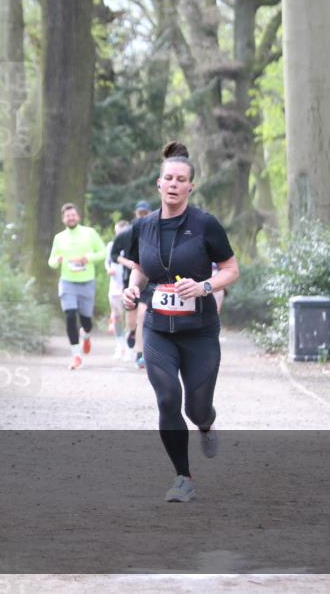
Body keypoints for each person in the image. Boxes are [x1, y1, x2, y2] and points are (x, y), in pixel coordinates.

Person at [122, 141, 239, 503]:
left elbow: (231, 270)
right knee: (168, 399)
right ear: (158, 184)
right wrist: (131, 289)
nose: (173, 184)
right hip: (159, 329)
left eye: (181, 179)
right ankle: (183, 477)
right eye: (168, 178)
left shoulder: (206, 225)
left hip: (200, 332)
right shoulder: (142, 228)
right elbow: (140, 268)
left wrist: (204, 286)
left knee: (196, 407)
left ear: (190, 187)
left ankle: (205, 423)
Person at [47, 203, 107, 370]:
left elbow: (103, 252)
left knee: (86, 321)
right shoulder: (59, 238)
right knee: (70, 315)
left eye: (73, 215)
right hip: (67, 282)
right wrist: (56, 261)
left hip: (87, 282)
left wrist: (89, 258)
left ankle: (86, 335)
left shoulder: (90, 233)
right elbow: (51, 261)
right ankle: (76, 355)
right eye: (67, 216)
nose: (71, 217)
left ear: (78, 216)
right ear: (63, 219)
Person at [111, 201, 152, 368]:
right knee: (132, 320)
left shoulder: (157, 231)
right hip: (132, 279)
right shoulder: (127, 233)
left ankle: (141, 355)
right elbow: (114, 254)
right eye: (140, 213)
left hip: (150, 280)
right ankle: (133, 333)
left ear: (149, 213)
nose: (142, 216)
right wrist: (128, 263)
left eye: (145, 213)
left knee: (143, 315)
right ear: (136, 214)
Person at [105, 220, 132, 360]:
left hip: (128, 286)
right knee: (117, 317)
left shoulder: (132, 245)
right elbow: (107, 262)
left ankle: (129, 347)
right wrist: (109, 270)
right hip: (115, 287)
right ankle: (119, 345)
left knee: (129, 318)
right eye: (118, 232)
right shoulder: (111, 245)